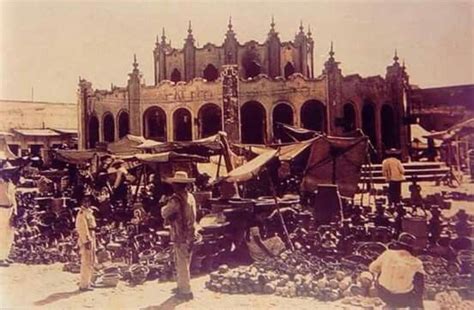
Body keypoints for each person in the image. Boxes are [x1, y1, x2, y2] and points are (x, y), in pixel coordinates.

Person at [161, 171, 198, 301]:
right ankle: (182, 286)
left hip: (180, 233)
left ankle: (185, 291)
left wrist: (164, 206)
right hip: (191, 232)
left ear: (176, 185)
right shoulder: (190, 197)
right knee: (186, 261)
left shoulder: (175, 199)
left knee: (181, 262)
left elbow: (165, 213)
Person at [369, 233, 425, 309]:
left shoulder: (387, 254)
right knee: (418, 278)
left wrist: (386, 270)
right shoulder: (416, 262)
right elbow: (420, 285)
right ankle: (415, 306)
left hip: (383, 294)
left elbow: (372, 268)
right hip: (403, 298)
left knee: (379, 270)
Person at [75, 192, 97, 291]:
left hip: (92, 235)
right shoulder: (81, 213)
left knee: (91, 260)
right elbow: (82, 228)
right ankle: (84, 284)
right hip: (87, 237)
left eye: (88, 201)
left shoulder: (89, 212)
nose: (87, 203)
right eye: (85, 201)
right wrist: (86, 241)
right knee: (86, 261)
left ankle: (88, 281)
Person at [0, 163, 18, 267]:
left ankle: (5, 255)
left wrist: (15, 212)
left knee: (9, 234)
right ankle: (0, 258)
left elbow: (13, 197)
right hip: (1, 209)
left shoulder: (10, 182)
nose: (9, 173)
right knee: (1, 234)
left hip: (10, 209)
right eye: (7, 171)